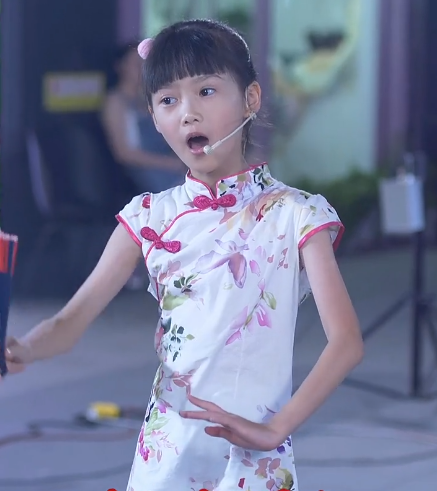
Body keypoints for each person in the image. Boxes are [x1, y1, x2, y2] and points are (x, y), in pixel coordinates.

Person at [3, 20, 364, 491]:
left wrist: (278, 428)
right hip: (166, 454)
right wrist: (23, 349)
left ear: (251, 99)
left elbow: (346, 342)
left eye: (206, 91)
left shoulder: (295, 214)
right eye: (168, 100)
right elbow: (71, 321)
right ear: (154, 118)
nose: (188, 113)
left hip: (253, 461)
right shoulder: (148, 217)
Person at [101, 42, 185, 194]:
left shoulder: (149, 98)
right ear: (121, 67)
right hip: (144, 170)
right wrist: (172, 163)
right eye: (135, 64)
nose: (141, 68)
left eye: (144, 64)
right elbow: (124, 153)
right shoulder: (116, 101)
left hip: (170, 163)